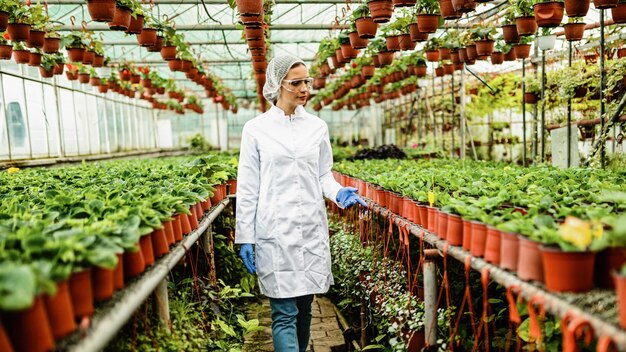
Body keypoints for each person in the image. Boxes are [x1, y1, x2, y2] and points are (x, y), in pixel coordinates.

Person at [234, 55, 367, 352]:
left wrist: (338, 192)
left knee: (305, 309)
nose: (305, 88)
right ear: (278, 85)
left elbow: (322, 173)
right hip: (275, 233)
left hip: (309, 229)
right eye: (296, 83)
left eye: (307, 81)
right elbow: (248, 187)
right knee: (284, 313)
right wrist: (245, 236)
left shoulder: (316, 127)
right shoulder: (256, 129)